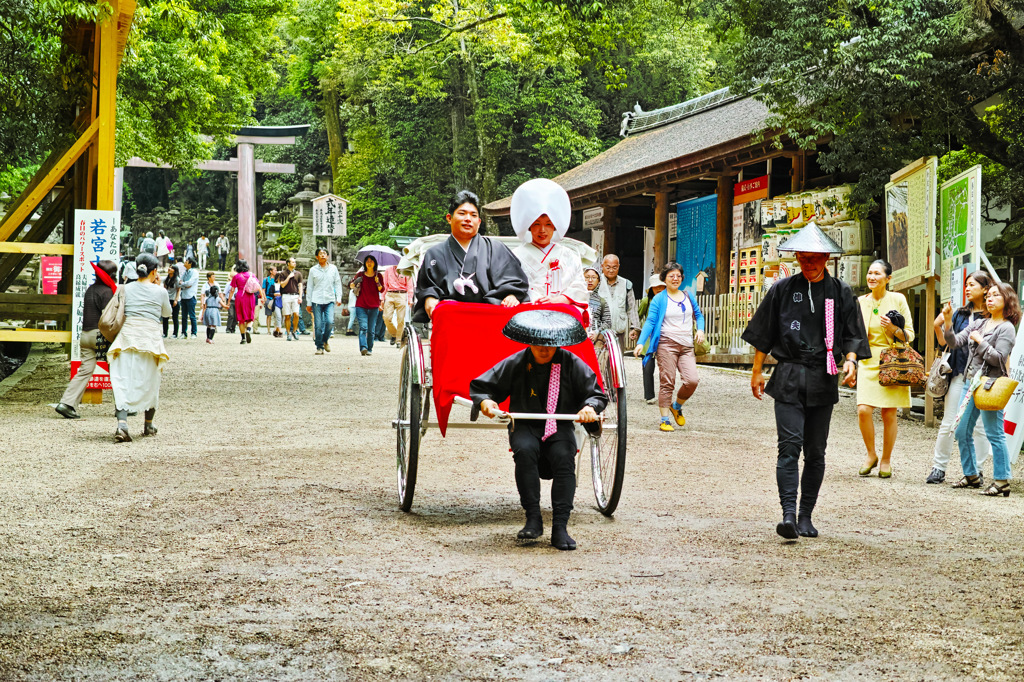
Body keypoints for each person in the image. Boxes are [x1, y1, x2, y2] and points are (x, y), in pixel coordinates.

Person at [742, 223, 870, 539]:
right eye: (802, 258)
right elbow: (764, 332)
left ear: (826, 257)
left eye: (813, 258)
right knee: (789, 447)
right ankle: (787, 514)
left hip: (823, 376)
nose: (808, 264)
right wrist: (758, 370)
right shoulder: (782, 289)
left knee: (815, 451)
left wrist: (851, 361)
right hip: (787, 375)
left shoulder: (840, 292)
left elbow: (853, 334)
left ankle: (805, 516)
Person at [470, 310, 607, 551]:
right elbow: (483, 387)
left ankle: (560, 527)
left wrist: (589, 406)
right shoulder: (517, 361)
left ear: (558, 343)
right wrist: (486, 402)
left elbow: (595, 393)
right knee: (524, 450)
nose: (544, 349)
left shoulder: (572, 363)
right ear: (529, 341)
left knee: (565, 457)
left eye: (549, 345)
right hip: (525, 425)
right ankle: (532, 517)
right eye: (538, 344)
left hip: (560, 426)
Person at [941, 282, 1020, 497]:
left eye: (996, 295)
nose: (990, 299)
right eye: (989, 295)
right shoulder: (979, 322)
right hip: (970, 383)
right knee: (961, 430)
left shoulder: (1006, 327)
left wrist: (980, 342)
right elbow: (955, 341)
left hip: (990, 384)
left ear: (1007, 300)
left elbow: (999, 359)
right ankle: (971, 474)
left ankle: (1002, 480)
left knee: (995, 433)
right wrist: (948, 321)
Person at [413, 190, 529, 322]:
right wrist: (429, 298)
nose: (468, 219)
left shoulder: (496, 248)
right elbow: (427, 287)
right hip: (451, 321)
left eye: (473, 215)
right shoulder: (434, 253)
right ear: (449, 218)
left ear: (479, 222)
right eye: (462, 213)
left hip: (491, 319)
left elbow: (515, 281)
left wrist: (512, 295)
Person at [927, 270, 994, 484]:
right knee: (949, 421)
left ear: (985, 289)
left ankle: (977, 470)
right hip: (958, 374)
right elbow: (948, 342)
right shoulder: (960, 314)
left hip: (983, 377)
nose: (967, 288)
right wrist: (945, 322)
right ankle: (939, 467)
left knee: (980, 427)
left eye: (972, 284)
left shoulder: (994, 316)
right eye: (966, 284)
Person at [854, 260, 915, 478]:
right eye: (869, 272)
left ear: (888, 279)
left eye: (877, 273)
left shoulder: (898, 299)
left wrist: (893, 329)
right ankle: (871, 454)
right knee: (863, 410)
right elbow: (853, 334)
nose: (871, 277)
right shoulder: (860, 301)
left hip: (892, 360)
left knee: (889, 413)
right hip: (867, 360)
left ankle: (886, 459)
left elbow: (910, 334)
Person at [109, 253, 172, 443]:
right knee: (150, 382)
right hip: (149, 340)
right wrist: (158, 285)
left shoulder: (125, 288)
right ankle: (148, 424)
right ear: (154, 271)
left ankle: (122, 425)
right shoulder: (159, 291)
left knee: (122, 381)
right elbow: (167, 313)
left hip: (126, 338)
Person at [634, 262, 705, 431]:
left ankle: (677, 406)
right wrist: (640, 343)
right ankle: (664, 419)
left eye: (678, 276)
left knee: (692, 381)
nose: (675, 279)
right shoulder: (659, 298)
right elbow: (650, 321)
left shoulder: (689, 296)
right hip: (666, 344)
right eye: (671, 276)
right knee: (668, 382)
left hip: (686, 346)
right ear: (664, 279)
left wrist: (700, 330)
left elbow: (699, 315)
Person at [509, 179, 588, 308]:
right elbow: (510, 285)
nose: (542, 230)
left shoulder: (568, 255)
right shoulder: (516, 255)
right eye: (537, 224)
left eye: (548, 224)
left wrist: (560, 299)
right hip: (528, 314)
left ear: (555, 227)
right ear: (529, 227)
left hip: (562, 314)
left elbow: (579, 285)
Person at [55, 260, 118, 419]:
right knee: (116, 369)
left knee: (85, 370)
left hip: (85, 335)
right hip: (101, 336)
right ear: (111, 275)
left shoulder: (90, 289)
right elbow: (107, 318)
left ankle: (66, 403)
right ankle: (122, 406)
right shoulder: (107, 292)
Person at [306, 247, 344, 355]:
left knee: (329, 322)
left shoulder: (333, 269)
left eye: (324, 253)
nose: (323, 255)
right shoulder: (313, 270)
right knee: (318, 325)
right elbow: (310, 287)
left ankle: (325, 340)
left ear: (327, 256)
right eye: (320, 253)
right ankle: (319, 346)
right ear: (317, 257)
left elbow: (337, 283)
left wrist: (339, 297)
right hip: (316, 300)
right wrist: (308, 303)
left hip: (329, 299)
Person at [599, 254, 641, 349]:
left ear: (618, 267)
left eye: (614, 267)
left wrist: (635, 327)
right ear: (602, 266)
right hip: (599, 333)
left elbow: (632, 308)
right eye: (608, 267)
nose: (611, 270)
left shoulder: (626, 284)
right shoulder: (596, 282)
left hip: (618, 332)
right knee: (599, 362)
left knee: (617, 361)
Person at [638, 273, 666, 404]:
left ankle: (665, 394)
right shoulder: (646, 301)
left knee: (665, 369)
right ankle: (649, 395)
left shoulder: (669, 300)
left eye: (662, 286)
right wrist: (637, 330)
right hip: (649, 339)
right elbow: (638, 315)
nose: (659, 289)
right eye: (656, 287)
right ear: (651, 289)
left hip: (664, 337)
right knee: (648, 367)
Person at [349, 255, 385, 356]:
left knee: (371, 329)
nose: (369, 263)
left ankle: (369, 348)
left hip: (374, 306)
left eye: (371, 261)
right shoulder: (360, 274)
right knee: (363, 327)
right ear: (364, 263)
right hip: (361, 305)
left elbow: (382, 290)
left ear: (374, 263)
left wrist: (377, 282)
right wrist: (354, 283)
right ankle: (363, 347)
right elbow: (351, 285)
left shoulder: (379, 276)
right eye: (367, 261)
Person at [228, 259, 266, 344]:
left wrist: (229, 301)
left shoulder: (236, 277)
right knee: (250, 316)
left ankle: (243, 338)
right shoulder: (251, 275)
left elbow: (232, 290)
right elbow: (259, 287)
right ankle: (248, 329)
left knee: (241, 319)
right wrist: (262, 297)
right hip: (250, 296)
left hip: (240, 296)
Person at [380, 264, 410, 345]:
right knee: (386, 317)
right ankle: (395, 334)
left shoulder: (406, 270)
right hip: (390, 294)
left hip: (401, 294)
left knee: (400, 319)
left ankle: (399, 340)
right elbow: (385, 285)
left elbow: (409, 285)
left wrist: (410, 299)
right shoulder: (388, 270)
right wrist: (382, 299)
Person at [277, 257, 304, 341]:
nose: (294, 263)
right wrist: (289, 277)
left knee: (296, 314)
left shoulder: (298, 274)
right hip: (286, 295)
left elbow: (300, 286)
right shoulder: (283, 274)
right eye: (292, 262)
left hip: (295, 295)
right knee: (287, 316)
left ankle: (295, 331)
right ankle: (288, 333)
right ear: (288, 263)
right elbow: (282, 285)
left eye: (295, 262)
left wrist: (300, 296)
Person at [179, 257, 199, 340]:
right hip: (183, 295)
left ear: (190, 263)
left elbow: (190, 283)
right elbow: (180, 282)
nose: (185, 262)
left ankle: (194, 333)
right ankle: (184, 333)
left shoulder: (194, 272)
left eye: (186, 261)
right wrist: (184, 284)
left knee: (192, 316)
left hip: (191, 295)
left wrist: (183, 283)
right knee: (184, 316)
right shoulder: (185, 272)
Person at [161, 260, 181, 339]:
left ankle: (175, 333)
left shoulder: (177, 279)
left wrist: (176, 300)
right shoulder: (166, 278)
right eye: (169, 267)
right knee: (165, 316)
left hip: (174, 299)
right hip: (167, 299)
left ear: (175, 270)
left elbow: (178, 290)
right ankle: (165, 332)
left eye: (171, 268)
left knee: (175, 317)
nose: (169, 269)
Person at [263, 266, 283, 338]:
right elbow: (263, 290)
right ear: (271, 271)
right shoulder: (266, 280)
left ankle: (276, 329)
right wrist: (264, 298)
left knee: (277, 315)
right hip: (269, 298)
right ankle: (268, 330)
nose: (276, 271)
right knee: (269, 315)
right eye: (275, 270)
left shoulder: (277, 281)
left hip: (277, 300)